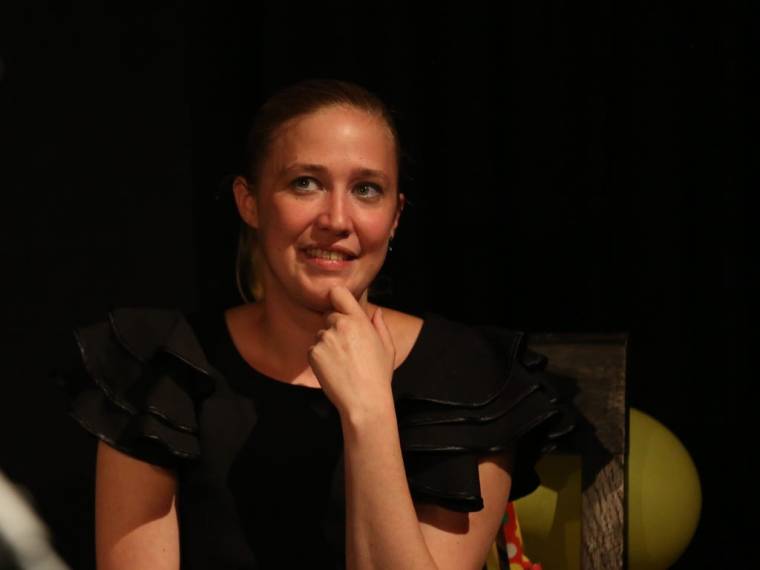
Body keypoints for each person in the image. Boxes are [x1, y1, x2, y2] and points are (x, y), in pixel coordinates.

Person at [60, 79, 577, 570]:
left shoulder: (470, 381)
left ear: (395, 217)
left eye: (367, 190)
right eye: (305, 183)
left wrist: (369, 412)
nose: (336, 219)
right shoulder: (161, 371)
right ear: (249, 202)